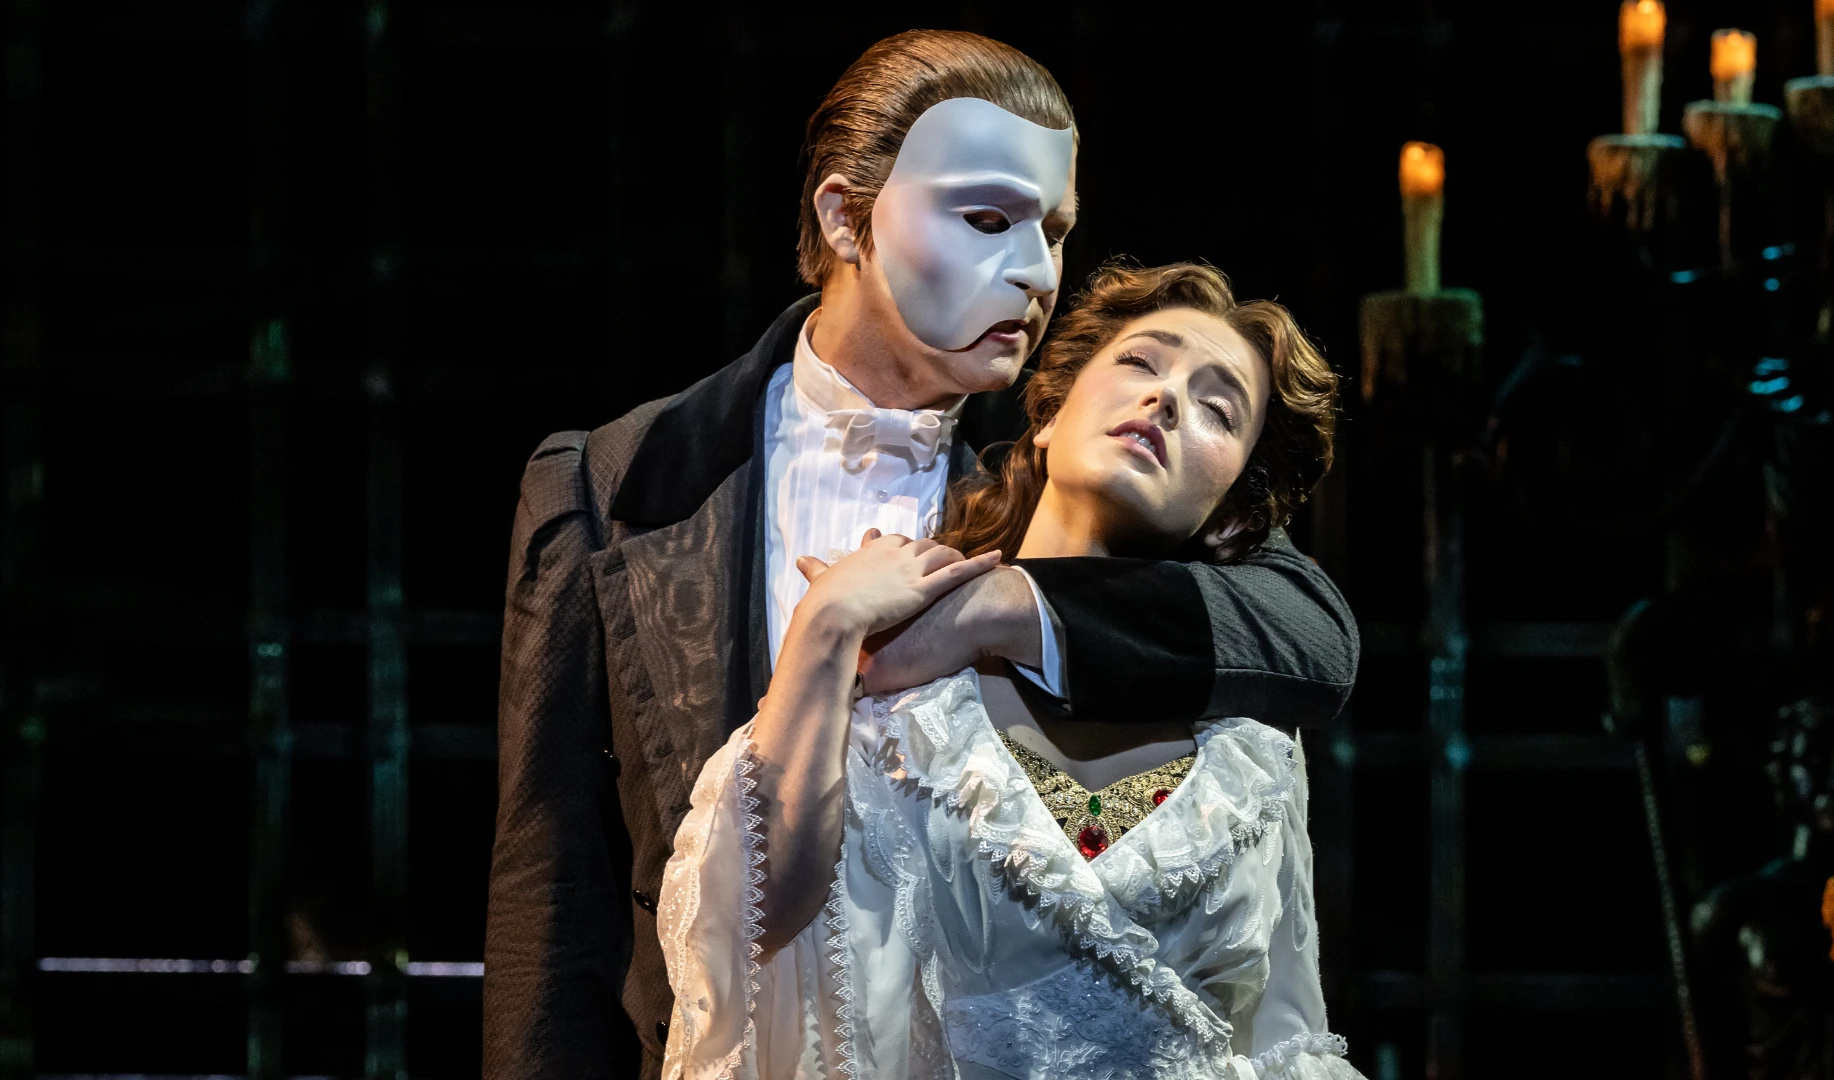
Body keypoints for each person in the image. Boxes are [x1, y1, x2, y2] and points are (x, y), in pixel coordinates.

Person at [483, 31, 1358, 1080]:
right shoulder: (620, 481)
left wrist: (1006, 602)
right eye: (987, 220)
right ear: (844, 216)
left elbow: (1314, 631)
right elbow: (552, 895)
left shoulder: (1064, 457)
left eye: (1055, 230)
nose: (1035, 274)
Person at [661, 261, 1361, 1080]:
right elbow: (749, 943)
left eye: (1216, 408)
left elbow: (1288, 1041)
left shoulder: (1251, 743)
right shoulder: (900, 685)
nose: (1167, 399)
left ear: (1234, 510)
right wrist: (824, 633)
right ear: (1049, 417)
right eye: (1142, 363)